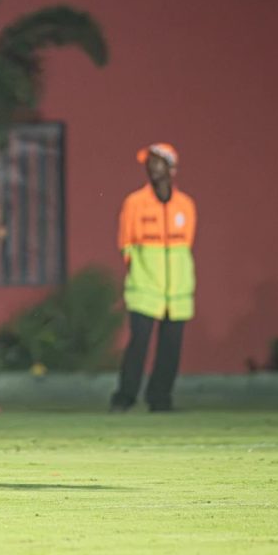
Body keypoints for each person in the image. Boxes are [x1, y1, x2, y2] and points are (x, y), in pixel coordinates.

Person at [110, 143, 196, 413]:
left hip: (177, 291)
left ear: (171, 168)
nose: (151, 167)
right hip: (144, 288)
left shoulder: (186, 205)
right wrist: (141, 271)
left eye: (157, 161)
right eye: (149, 162)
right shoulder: (134, 203)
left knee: (170, 349)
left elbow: (185, 246)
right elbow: (126, 245)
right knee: (138, 345)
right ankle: (125, 397)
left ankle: (160, 398)